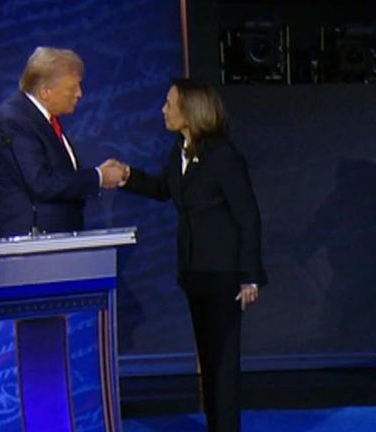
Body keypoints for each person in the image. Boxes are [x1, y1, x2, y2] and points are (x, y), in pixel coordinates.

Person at [113, 78, 267, 431]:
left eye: (169, 103)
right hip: (195, 273)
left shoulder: (223, 156)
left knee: (223, 364)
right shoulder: (179, 150)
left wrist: (250, 275)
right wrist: (127, 176)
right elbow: (163, 189)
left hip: (224, 275)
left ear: (190, 110)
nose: (163, 110)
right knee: (209, 362)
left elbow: (248, 217)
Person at [0, 46, 125, 237]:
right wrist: (98, 177)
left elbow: (58, 174)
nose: (79, 94)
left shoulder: (41, 120)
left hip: (56, 240)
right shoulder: (14, 121)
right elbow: (41, 182)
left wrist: (97, 175)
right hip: (32, 246)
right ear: (45, 91)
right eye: (72, 87)